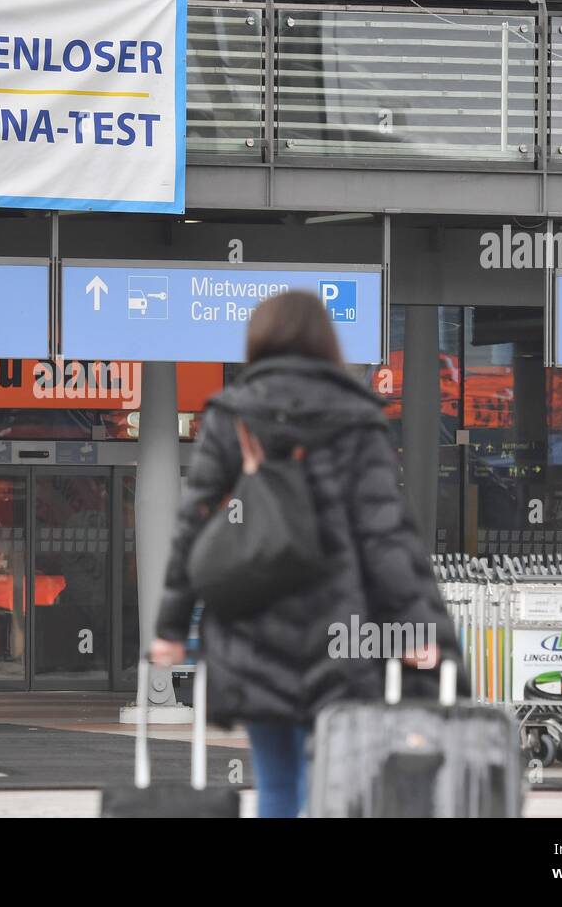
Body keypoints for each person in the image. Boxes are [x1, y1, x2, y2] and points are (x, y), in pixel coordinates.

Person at [149, 290, 461, 818]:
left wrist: (171, 628)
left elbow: (192, 525)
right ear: (325, 341)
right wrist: (412, 632)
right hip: (339, 633)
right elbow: (385, 537)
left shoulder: (234, 415)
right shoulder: (358, 421)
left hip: (252, 625)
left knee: (276, 784)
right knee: (333, 782)